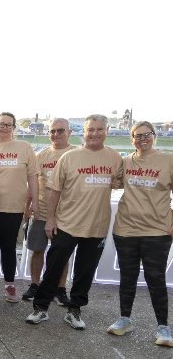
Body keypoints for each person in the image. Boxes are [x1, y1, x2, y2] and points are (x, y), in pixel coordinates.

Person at [26, 114, 123, 330]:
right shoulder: (69, 157)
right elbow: (54, 191)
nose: (94, 134)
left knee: (84, 272)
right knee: (53, 268)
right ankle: (40, 308)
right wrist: (50, 219)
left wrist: (117, 182)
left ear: (107, 131)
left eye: (99, 129)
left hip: (96, 226)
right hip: (66, 224)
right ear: (84, 132)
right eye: (90, 130)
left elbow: (122, 180)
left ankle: (74, 310)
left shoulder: (115, 158)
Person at [106, 122, 173, 347]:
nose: (142, 139)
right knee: (127, 277)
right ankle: (125, 319)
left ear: (154, 136)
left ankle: (163, 327)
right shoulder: (125, 162)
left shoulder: (167, 160)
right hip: (125, 230)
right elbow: (113, 181)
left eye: (147, 135)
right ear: (131, 139)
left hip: (157, 231)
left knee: (156, 279)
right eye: (137, 136)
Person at [0, 112, 38, 303]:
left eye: (8, 125)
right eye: (1, 124)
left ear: (14, 128)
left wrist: (35, 201)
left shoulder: (24, 147)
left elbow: (32, 176)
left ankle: (9, 285)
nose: (4, 127)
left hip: (13, 208)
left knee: (9, 248)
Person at [22, 119, 75, 304]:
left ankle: (60, 289)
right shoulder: (41, 155)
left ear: (69, 133)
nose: (56, 134)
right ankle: (35, 284)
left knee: (62, 254)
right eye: (52, 131)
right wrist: (27, 206)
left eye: (61, 131)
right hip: (42, 212)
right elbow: (33, 184)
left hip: (66, 214)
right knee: (37, 250)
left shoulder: (76, 154)